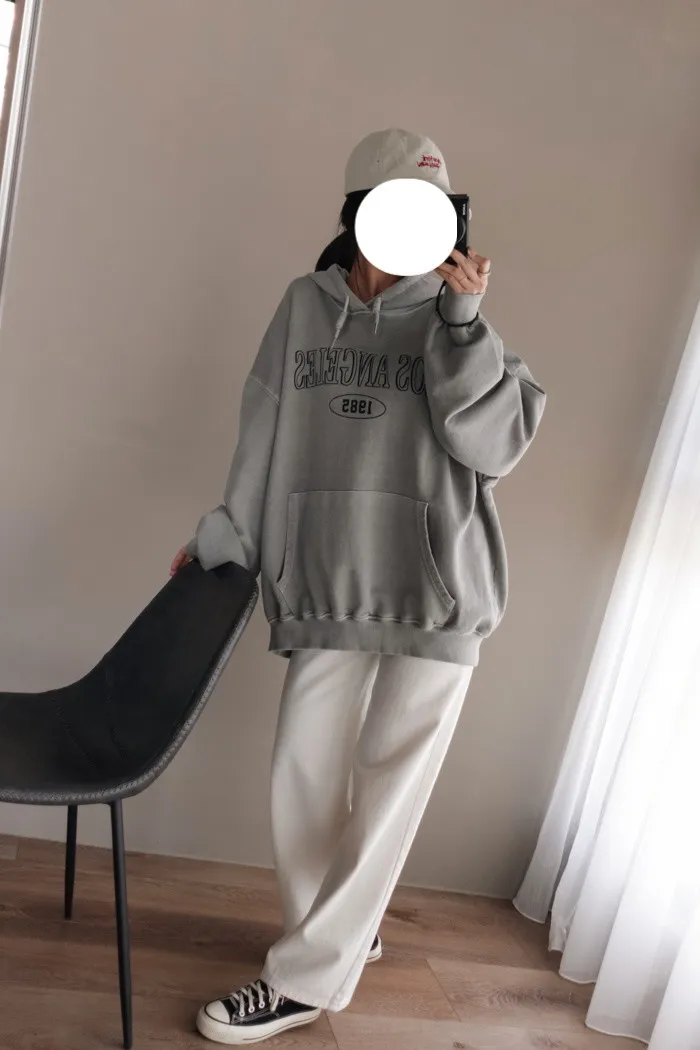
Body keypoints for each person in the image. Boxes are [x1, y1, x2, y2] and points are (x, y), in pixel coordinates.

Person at [171, 128, 546, 1045]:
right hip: (328, 575)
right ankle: (338, 934)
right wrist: (225, 538)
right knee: (301, 773)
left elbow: (493, 448)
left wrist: (464, 324)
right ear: (359, 211)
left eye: (436, 211)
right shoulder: (305, 305)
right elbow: (262, 428)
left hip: (439, 586)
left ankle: (302, 980)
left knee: (389, 791)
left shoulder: (459, 321)